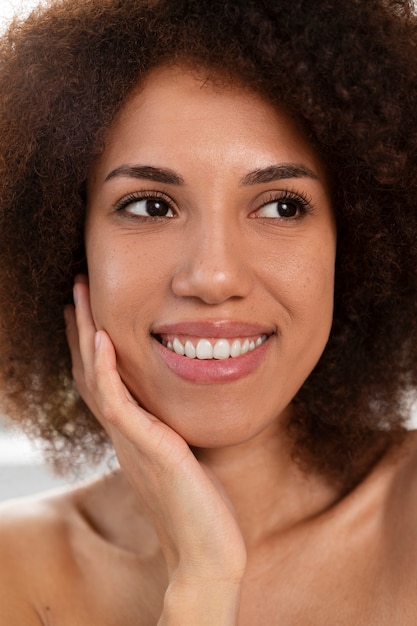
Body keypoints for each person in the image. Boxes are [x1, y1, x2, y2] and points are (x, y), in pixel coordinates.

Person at [0, 0, 417, 623]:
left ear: (354, 242)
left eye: (281, 206)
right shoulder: (15, 570)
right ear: (67, 244)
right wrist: (202, 578)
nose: (213, 277)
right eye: (149, 206)